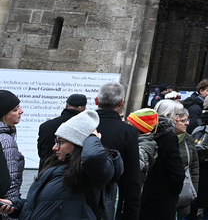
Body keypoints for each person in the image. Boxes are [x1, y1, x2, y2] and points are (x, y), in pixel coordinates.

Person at [3, 109, 122, 220]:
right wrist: (16, 206)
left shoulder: (91, 169)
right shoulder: (57, 166)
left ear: (78, 143)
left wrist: (91, 136)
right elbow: (46, 206)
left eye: (61, 142)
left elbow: (92, 156)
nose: (54, 147)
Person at [94, 81, 141, 220]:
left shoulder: (82, 124)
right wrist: (131, 213)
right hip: (111, 197)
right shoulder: (128, 132)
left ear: (96, 100)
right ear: (121, 103)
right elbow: (132, 176)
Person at [138, 101, 185, 220]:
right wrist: (176, 189)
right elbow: (175, 169)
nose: (178, 119)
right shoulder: (169, 136)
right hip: (163, 193)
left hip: (143, 189)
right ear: (169, 115)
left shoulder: (145, 130)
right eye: (177, 115)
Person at [166, 104, 200, 219]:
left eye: (187, 120)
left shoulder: (188, 139)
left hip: (183, 196)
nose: (187, 123)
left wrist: (193, 190)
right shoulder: (164, 140)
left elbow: (194, 167)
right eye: (183, 120)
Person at [37, 94, 88, 162]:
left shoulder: (45, 126)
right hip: (72, 167)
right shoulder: (86, 128)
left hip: (46, 166)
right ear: (84, 109)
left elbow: (41, 152)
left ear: (66, 106)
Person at [0, 91, 24, 220]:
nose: (21, 111)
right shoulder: (6, 141)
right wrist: (12, 211)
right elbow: (10, 182)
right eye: (15, 110)